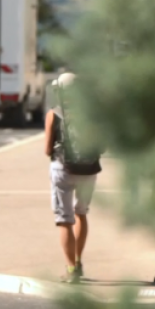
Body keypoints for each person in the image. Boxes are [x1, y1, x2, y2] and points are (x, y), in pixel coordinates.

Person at [43, 72, 102, 283]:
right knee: (81, 214)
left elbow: (47, 148)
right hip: (88, 170)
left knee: (64, 220)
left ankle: (70, 270)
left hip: (62, 169)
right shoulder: (92, 113)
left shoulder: (54, 113)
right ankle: (78, 261)